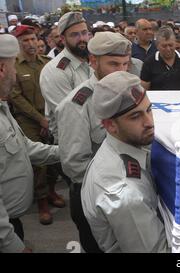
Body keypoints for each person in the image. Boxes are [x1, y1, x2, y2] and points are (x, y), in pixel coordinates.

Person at [55, 31, 132, 253]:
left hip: (124, 192)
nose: (121, 71)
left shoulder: (125, 93)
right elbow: (74, 165)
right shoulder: (77, 104)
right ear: (93, 61)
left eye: (125, 64)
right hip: (95, 197)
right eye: (114, 64)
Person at [82, 71, 169, 253]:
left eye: (149, 110)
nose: (149, 122)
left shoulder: (118, 148)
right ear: (110, 125)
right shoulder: (126, 196)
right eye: (135, 116)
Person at [0, 34, 60, 253]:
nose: (15, 76)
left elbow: (26, 148)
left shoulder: (2, 109)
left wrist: (66, 152)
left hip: (12, 221)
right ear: (2, 69)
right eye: (12, 69)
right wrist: (13, 246)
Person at [9, 25, 65, 225]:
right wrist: (39, 119)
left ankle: (51, 191)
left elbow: (54, 91)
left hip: (49, 117)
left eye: (33, 39)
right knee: (38, 164)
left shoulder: (47, 63)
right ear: (19, 43)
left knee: (53, 156)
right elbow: (16, 98)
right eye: (25, 40)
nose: (31, 44)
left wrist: (47, 119)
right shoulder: (14, 66)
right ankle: (42, 201)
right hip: (28, 120)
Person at [40, 12, 93, 143]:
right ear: (63, 39)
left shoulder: (92, 61)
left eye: (84, 32)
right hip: (72, 144)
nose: (82, 38)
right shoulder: (55, 71)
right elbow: (71, 116)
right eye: (74, 34)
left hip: (95, 137)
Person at [140, 27, 180, 93]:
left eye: (171, 45)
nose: (168, 49)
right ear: (157, 46)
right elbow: (144, 89)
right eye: (164, 46)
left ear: (175, 44)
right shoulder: (149, 62)